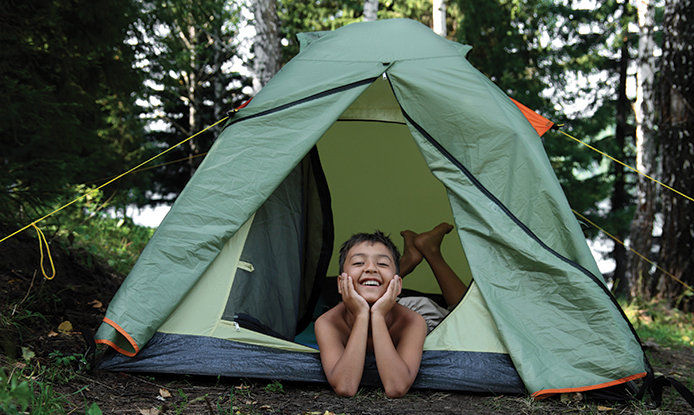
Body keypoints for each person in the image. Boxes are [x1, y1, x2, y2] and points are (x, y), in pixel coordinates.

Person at [315, 223, 467, 398]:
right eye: (358, 262)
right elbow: (345, 387)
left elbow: (396, 387)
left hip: (413, 310)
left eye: (382, 263)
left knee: (464, 316)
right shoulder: (328, 323)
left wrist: (377, 315)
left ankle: (430, 251)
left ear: (399, 284)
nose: (371, 267)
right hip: (385, 302)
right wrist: (362, 315)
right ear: (341, 284)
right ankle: (409, 259)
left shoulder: (414, 321)